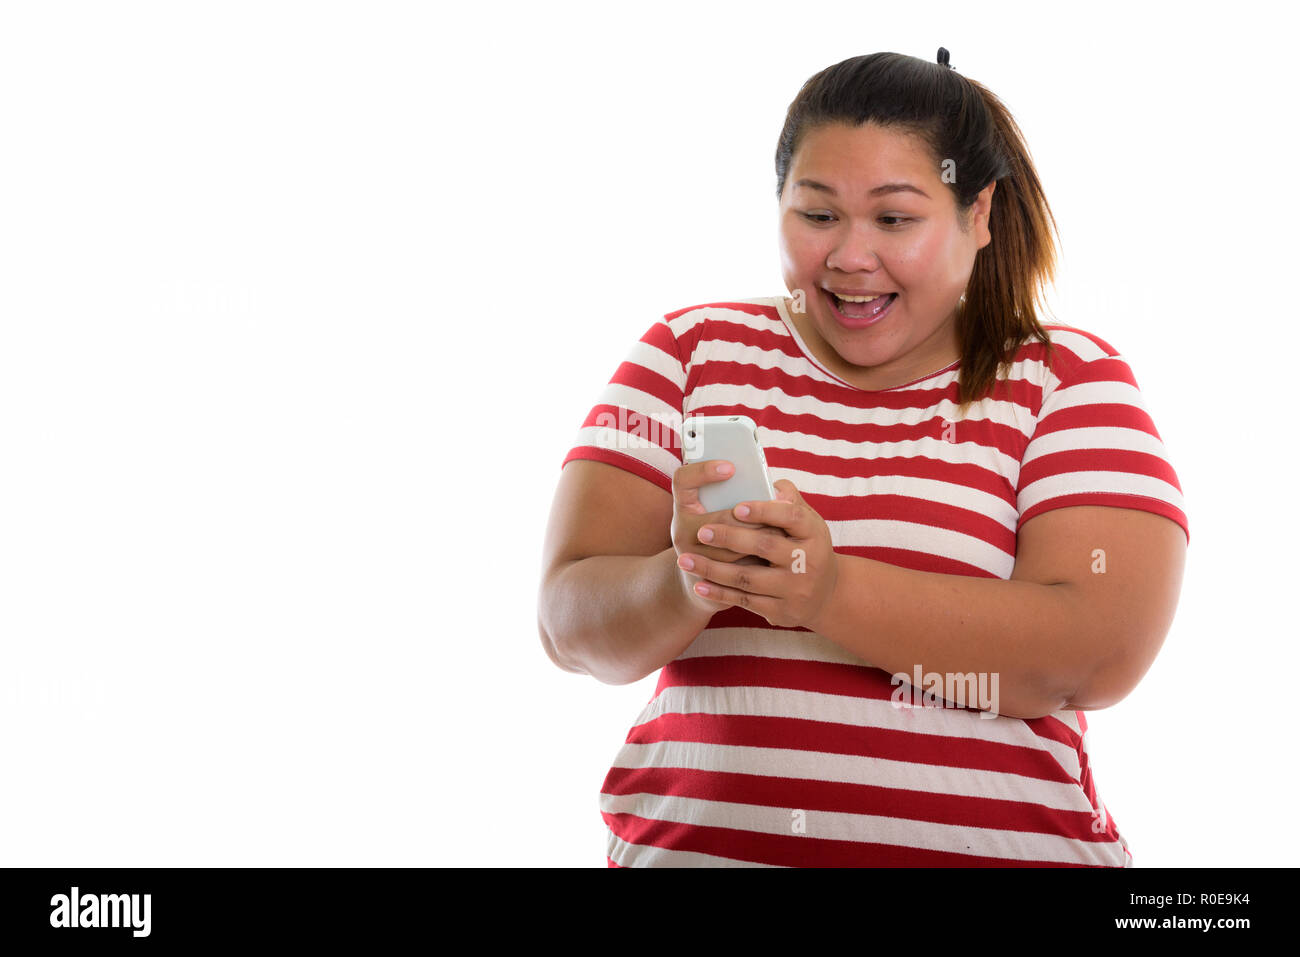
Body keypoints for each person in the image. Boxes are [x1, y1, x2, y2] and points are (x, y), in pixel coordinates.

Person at [537, 49, 1188, 867]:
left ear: (978, 212)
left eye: (893, 218)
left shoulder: (1063, 382)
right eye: (816, 215)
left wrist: (828, 589)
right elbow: (567, 622)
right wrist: (689, 578)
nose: (848, 256)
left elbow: (1092, 654)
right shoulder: (690, 353)